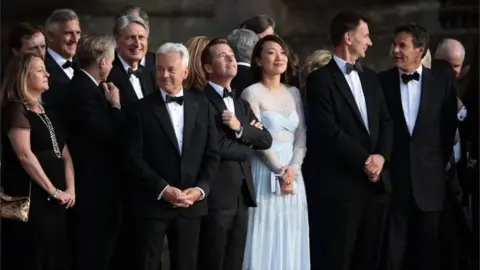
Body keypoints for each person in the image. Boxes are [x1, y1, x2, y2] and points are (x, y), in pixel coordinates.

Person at [304, 12, 393, 270]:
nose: (370, 42)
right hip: (341, 188)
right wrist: (365, 160)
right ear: (348, 37)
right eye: (365, 35)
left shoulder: (371, 78)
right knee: (339, 258)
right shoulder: (320, 80)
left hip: (375, 187)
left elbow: (386, 122)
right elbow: (328, 131)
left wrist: (381, 158)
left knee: (370, 259)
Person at [125, 42, 220, 270]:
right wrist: (163, 189)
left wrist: (199, 190)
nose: (164, 74)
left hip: (190, 204)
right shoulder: (140, 109)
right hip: (152, 203)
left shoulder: (202, 105)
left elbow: (212, 153)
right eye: (160, 69)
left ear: (185, 72)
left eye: (171, 69)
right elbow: (133, 158)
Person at [378, 23, 457, 270]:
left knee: (428, 257)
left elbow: (447, 131)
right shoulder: (381, 82)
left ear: (420, 50)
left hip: (430, 186)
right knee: (392, 256)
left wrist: (433, 166)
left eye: (403, 45)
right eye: (394, 44)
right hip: (393, 185)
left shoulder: (441, 83)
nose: (396, 50)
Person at [198, 38, 272, 270]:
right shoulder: (201, 102)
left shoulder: (241, 104)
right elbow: (215, 146)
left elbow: (266, 139)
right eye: (222, 55)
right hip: (216, 195)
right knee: (213, 260)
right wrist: (248, 146)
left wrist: (240, 129)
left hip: (242, 195)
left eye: (231, 54)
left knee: (235, 261)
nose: (231, 58)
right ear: (208, 68)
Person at [0, 53, 75, 270]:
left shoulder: (47, 111)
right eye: (40, 70)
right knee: (34, 255)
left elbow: (65, 155)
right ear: (24, 75)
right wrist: (53, 190)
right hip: (33, 201)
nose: (47, 74)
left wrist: (70, 189)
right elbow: (24, 155)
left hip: (57, 201)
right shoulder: (16, 109)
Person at [241, 34, 310, 270]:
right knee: (265, 229)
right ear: (259, 60)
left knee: (291, 232)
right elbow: (255, 138)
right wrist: (279, 170)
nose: (279, 57)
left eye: (282, 52)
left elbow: (301, 134)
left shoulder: (294, 92)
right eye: (271, 52)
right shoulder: (251, 93)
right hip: (265, 171)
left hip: (293, 171)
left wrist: (293, 169)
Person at [65, 34, 124, 270]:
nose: (111, 66)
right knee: (93, 252)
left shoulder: (91, 87)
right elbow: (110, 135)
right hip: (93, 187)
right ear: (101, 62)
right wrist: (116, 106)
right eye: (111, 61)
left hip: (98, 186)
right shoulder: (83, 90)